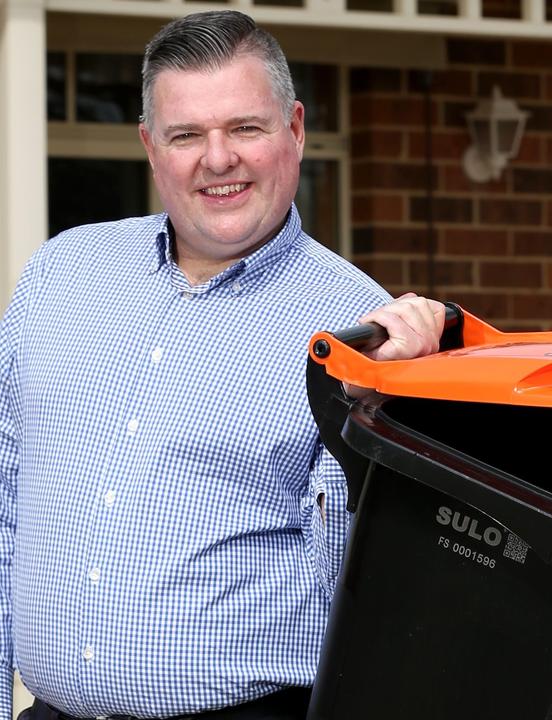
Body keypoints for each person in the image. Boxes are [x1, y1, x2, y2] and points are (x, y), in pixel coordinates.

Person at [0, 10, 445, 720]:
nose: (218, 159)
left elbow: (365, 589)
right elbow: (6, 502)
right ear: (151, 147)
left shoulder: (358, 328)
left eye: (245, 128)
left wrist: (384, 411)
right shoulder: (62, 274)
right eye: (186, 135)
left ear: (294, 130)